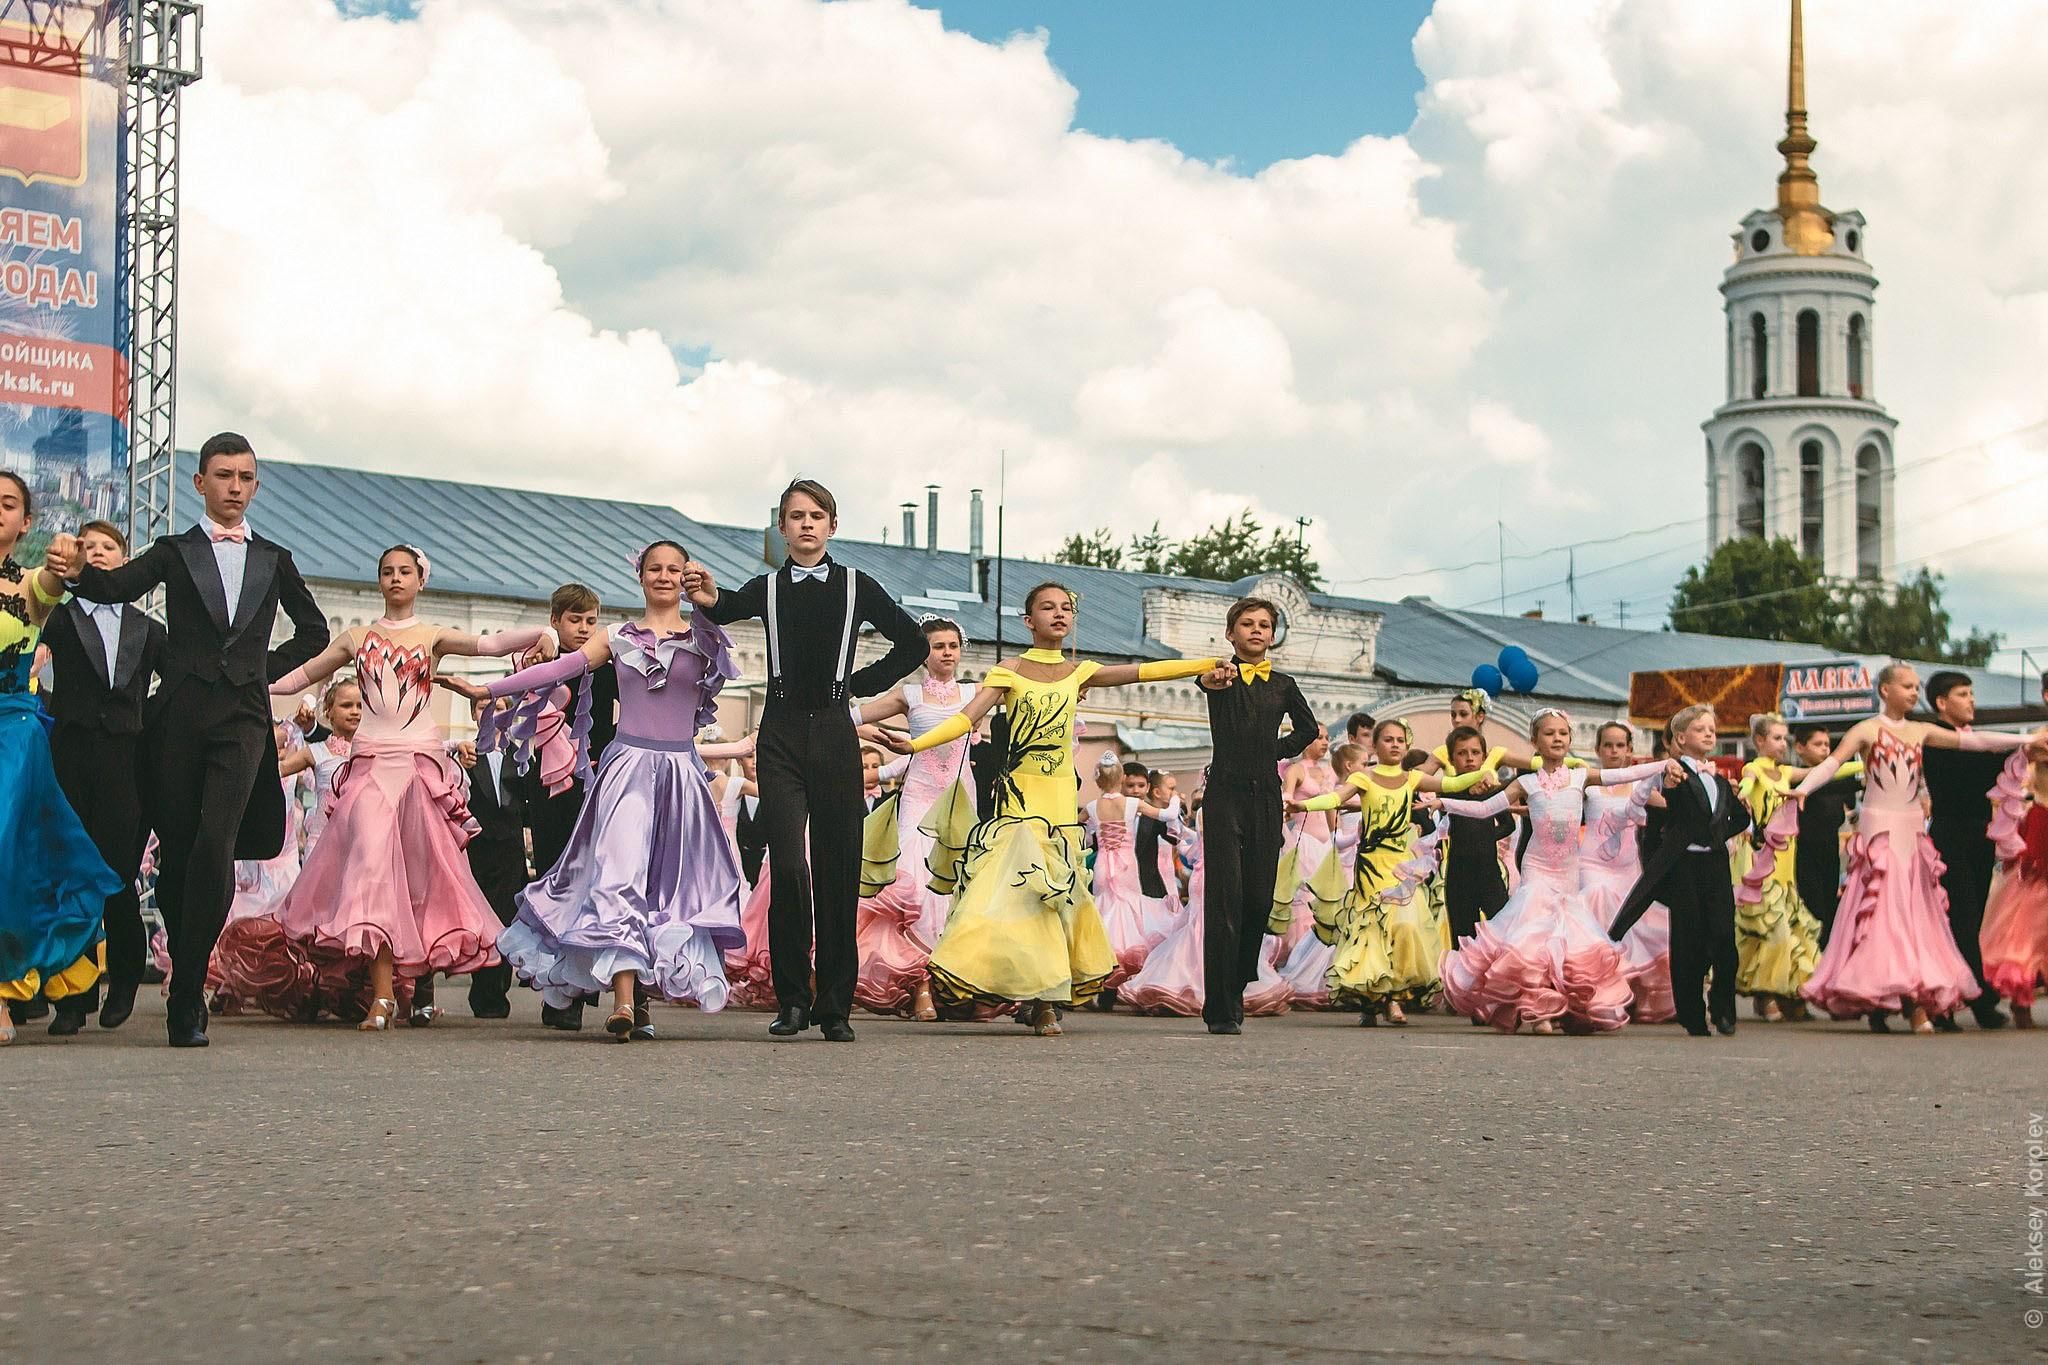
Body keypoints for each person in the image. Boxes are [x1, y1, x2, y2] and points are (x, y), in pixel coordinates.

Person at [49, 433, 330, 1048]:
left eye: (246, 477)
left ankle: (187, 993)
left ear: (256, 486)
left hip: (241, 723)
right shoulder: (176, 550)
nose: (235, 486)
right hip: (176, 718)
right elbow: (115, 588)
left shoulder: (274, 558)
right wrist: (77, 577)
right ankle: (183, 963)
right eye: (224, 475)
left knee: (215, 842)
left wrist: (260, 668)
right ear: (200, 483)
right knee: (177, 854)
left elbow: (314, 632)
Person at [879, 581, 1217, 1035]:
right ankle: (1015, 989)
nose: (1059, 614)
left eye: (1066, 608)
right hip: (1018, 799)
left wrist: (1209, 663)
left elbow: (1145, 671)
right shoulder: (1009, 670)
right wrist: (917, 743)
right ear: (1028, 620)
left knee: (1058, 894)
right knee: (1018, 895)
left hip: (1060, 799)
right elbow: (965, 720)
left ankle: (1045, 999)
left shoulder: (1081, 671)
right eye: (1047, 607)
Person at [448, 541, 749, 1041]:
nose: (664, 576)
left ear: (687, 576)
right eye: (655, 568)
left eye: (674, 569)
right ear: (640, 575)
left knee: (666, 886)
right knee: (619, 873)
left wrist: (711, 601)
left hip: (680, 774)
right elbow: (557, 670)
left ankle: (645, 996)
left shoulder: (704, 637)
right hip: (627, 770)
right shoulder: (617, 636)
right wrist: (490, 690)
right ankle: (624, 1000)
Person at [263, 546, 551, 1030]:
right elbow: (307, 673)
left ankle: (407, 987)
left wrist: (541, 632)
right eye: (387, 572)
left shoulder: (432, 635)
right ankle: (381, 995)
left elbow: (491, 644)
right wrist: (256, 685)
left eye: (405, 572)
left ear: (421, 580)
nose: (395, 579)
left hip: (418, 766)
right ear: (379, 582)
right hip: (372, 765)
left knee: (417, 878)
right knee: (371, 870)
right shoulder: (358, 637)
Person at [684, 479, 929, 1043]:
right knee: (790, 867)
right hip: (781, 733)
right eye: (795, 516)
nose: (806, 525)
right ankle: (792, 1000)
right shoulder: (767, 587)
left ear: (832, 526)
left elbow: (912, 643)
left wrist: (854, 691)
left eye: (816, 515)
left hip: (837, 734)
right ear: (782, 527)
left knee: (838, 870)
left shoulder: (857, 585)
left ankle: (836, 1008)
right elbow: (725, 609)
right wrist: (705, 593)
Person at [1776, 665, 2046, 1034]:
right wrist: (1804, 789)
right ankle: (1882, 999)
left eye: (1915, 686)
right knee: (1880, 914)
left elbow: (1976, 741)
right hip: (1879, 829)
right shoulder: (1866, 730)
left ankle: (1916, 1001)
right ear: (1885, 690)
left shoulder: (1922, 731)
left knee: (1917, 915)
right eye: (1906, 686)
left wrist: (2023, 741)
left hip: (1911, 828)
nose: (1911, 692)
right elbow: (1833, 763)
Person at [1430, 710, 1669, 1033]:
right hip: (1537, 870)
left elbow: (1621, 777)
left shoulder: (1580, 777)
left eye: (1562, 733)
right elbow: (1487, 808)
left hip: (1568, 874)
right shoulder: (1525, 782)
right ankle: (1537, 1009)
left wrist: (1664, 765)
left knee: (1567, 940)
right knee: (1535, 937)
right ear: (1534, 741)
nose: (1557, 739)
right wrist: (1444, 804)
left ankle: (1567, 1006)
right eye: (1549, 734)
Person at [0, 474, 121, 1043]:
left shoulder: (27, 585)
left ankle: (2, 994)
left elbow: (50, 583)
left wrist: (64, 559)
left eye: (7, 505)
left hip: (12, 732)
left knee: (4, 853)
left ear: (25, 522)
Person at [35, 519, 165, 1033]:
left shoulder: (149, 629)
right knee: (71, 875)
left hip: (126, 766)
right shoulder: (61, 620)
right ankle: (73, 996)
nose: (100, 554)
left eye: (109, 547)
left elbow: (173, 687)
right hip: (70, 759)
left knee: (116, 877)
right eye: (89, 548)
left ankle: (127, 976)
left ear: (125, 558)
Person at [1293, 719, 1492, 1025]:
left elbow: (1451, 785)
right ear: (1376, 744)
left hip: (1401, 867)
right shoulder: (1364, 778)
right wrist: (1302, 806)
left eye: (1400, 740)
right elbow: (1335, 799)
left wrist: (1489, 766)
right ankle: (1373, 1002)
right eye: (1388, 739)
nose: (1395, 745)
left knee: (1405, 928)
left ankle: (1395, 997)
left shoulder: (1412, 779)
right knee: (1372, 933)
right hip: (1372, 866)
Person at [1189, 595, 1321, 1033]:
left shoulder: (1283, 684)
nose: (1256, 630)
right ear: (1231, 633)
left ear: (1272, 635)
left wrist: (1276, 750)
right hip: (1224, 794)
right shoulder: (1220, 676)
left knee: (1258, 899)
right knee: (1224, 901)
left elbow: (1307, 730)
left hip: (1266, 795)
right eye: (1247, 624)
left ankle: (1240, 973)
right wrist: (1213, 678)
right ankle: (1221, 1009)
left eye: (1264, 624)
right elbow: (1205, 683)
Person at [1608, 705, 1752, 1038]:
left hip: (1715, 863)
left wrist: (1727, 826)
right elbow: (1656, 811)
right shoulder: (1671, 774)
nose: (1709, 734)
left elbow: (1734, 820)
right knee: (1689, 941)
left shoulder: (1719, 779)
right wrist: (1667, 783)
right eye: (1701, 729)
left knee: (1724, 940)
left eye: (1712, 730)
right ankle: (1691, 1014)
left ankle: (1723, 1008)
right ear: (1681, 738)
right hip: (1684, 866)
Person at [518, 582, 613, 1032]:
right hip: (550, 784)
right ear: (555, 620)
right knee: (555, 876)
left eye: (590, 621)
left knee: (593, 882)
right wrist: (546, 646)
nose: (583, 628)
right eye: (574, 620)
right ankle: (555, 987)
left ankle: (578, 990)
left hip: (596, 778)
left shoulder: (608, 666)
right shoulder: (541, 661)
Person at [1920, 671, 2012, 1030]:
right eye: (1963, 694)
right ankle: (1978, 999)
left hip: (1980, 835)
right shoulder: (1935, 740)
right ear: (1942, 702)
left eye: (1972, 693)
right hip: (1949, 835)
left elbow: (1997, 766)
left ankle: (1950, 1000)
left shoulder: (1977, 738)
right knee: (1961, 917)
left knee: (1970, 921)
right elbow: (1974, 770)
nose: (1971, 700)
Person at [1729, 712, 1826, 1021]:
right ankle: (1765, 993)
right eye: (1777, 738)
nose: (1783, 744)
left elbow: (1827, 770)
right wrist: (1741, 795)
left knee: (1798, 934)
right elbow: (1747, 784)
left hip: (1787, 868)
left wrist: (1866, 758)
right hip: (1761, 865)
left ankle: (1790, 995)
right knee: (1772, 932)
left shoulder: (1786, 773)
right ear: (1760, 741)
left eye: (1785, 738)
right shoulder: (1754, 768)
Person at [1577, 722, 1676, 1023]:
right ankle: (1603, 991)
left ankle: (1632, 991)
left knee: (1636, 924)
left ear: (1630, 750)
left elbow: (1674, 806)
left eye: (1620, 745)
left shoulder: (1638, 785)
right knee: (1598, 903)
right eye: (1608, 745)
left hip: (1627, 868)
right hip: (1592, 866)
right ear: (1597, 750)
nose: (1614, 751)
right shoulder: (1588, 783)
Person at [460, 698, 533, 1020]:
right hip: (475, 852)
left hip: (510, 853)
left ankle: (496, 990)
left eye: (501, 706)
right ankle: (483, 990)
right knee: (480, 922)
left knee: (505, 920)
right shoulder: (462, 755)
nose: (491, 714)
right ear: (473, 714)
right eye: (482, 708)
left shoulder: (521, 755)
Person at [1982, 751, 2048, 1026]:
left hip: (2033, 884)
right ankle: (2021, 1004)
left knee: (2027, 946)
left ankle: (2022, 1005)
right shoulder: (2038, 812)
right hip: (2037, 887)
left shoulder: (2035, 811)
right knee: (2027, 945)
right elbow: (2031, 851)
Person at [1438, 726, 1514, 946]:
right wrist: (1467, 792)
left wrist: (1485, 838)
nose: (1469, 758)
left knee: (1503, 931)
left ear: (1484, 756)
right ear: (1452, 760)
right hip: (1459, 874)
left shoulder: (1492, 791)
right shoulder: (1446, 790)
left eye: (1475, 752)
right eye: (1462, 753)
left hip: (1489, 872)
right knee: (1463, 938)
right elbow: (1445, 814)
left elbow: (1507, 825)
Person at [1790, 722, 1862, 948]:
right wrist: (1855, 781)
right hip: (1804, 849)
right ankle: (1812, 956)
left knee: (1832, 904)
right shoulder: (1795, 778)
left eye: (1827, 744)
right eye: (1817, 744)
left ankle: (1830, 953)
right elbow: (1824, 786)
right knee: (1813, 905)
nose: (1824, 749)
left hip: (1831, 848)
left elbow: (1846, 799)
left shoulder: (1838, 779)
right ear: (1800, 747)